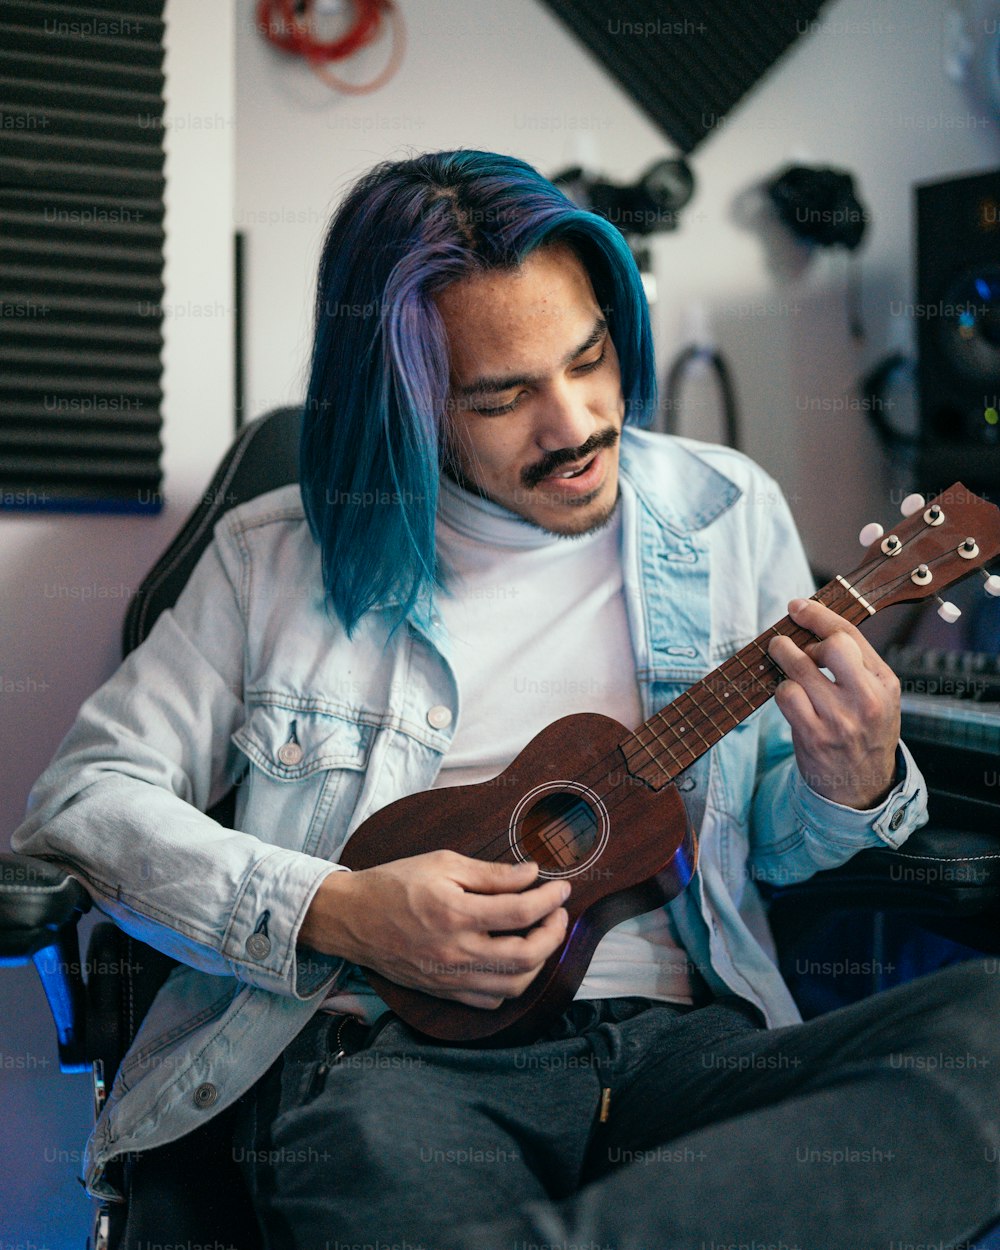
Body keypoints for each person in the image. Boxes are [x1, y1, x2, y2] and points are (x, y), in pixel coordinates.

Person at [13, 150, 1000, 1249]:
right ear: (411, 405)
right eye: (503, 396)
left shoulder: (726, 509)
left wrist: (851, 783)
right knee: (379, 1163)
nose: (575, 423)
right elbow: (83, 801)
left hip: (687, 1050)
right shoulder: (274, 558)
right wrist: (340, 910)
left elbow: (763, 840)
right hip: (401, 1072)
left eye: (590, 359)